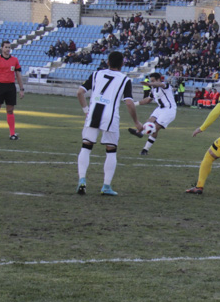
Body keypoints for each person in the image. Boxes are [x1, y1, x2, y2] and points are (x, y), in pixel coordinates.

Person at [75, 51, 142, 196]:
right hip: (110, 116)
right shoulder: (125, 80)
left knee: (86, 147)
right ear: (122, 63)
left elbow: (80, 92)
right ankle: (106, 186)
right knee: (111, 150)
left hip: (93, 114)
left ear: (107, 62)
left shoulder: (96, 74)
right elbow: (129, 103)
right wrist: (136, 122)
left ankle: (82, 180)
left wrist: (86, 110)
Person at [128, 72, 176, 155]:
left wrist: (149, 83)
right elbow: (148, 100)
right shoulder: (153, 89)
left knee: (155, 128)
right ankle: (141, 135)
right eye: (151, 81)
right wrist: (135, 104)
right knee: (149, 122)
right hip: (160, 109)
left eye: (153, 81)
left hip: (169, 110)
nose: (152, 82)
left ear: (158, 79)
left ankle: (144, 145)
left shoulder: (164, 85)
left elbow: (160, 84)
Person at [0, 40, 25, 140]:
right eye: (6, 47)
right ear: (2, 48)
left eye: (9, 47)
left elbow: (18, 75)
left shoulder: (15, 60)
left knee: (10, 110)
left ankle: (12, 134)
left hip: (10, 87)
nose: (8, 49)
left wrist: (21, 89)